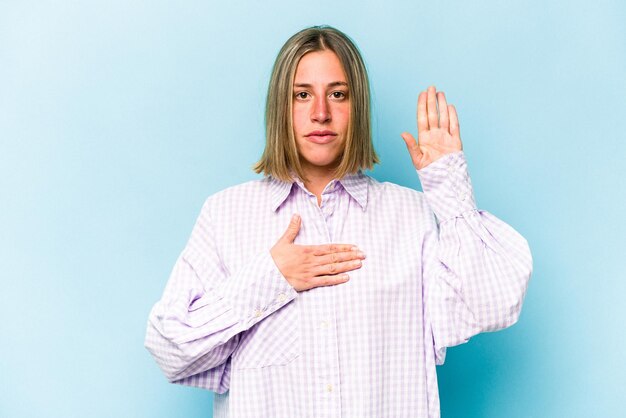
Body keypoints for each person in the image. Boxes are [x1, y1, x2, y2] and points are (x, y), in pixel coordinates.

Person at [144, 25, 532, 418]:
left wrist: (450, 192)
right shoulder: (226, 215)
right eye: (302, 95)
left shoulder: (412, 216)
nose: (320, 113)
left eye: (338, 94)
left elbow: (494, 304)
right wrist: (270, 279)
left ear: (357, 105)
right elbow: (171, 350)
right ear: (281, 106)